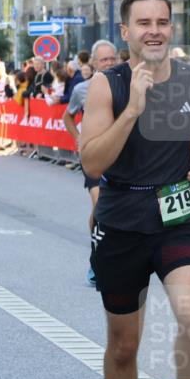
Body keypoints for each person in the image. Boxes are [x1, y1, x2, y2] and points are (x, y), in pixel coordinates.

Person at [79, 0, 190, 379]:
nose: (154, 31)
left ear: (171, 27)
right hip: (121, 219)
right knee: (123, 346)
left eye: (161, 22)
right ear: (125, 31)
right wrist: (133, 109)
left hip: (176, 212)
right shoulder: (105, 85)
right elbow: (91, 162)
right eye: (143, 23)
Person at [63, 39, 119, 287]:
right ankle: (96, 259)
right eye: (104, 59)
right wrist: (78, 138)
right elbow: (67, 116)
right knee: (99, 204)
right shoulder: (82, 89)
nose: (109, 63)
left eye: (112, 58)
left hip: (119, 156)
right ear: (94, 63)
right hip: (94, 155)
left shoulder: (127, 84)